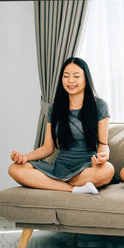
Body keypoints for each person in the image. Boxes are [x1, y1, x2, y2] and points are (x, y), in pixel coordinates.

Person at [8, 57, 115, 194]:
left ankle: (52, 184)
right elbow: (48, 148)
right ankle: (75, 189)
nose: (70, 80)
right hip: (60, 167)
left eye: (76, 76)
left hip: (87, 167)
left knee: (108, 170)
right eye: (66, 76)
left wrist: (103, 156)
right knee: (14, 168)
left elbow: (103, 143)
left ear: (86, 80)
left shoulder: (99, 106)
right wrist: (25, 157)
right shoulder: (55, 108)